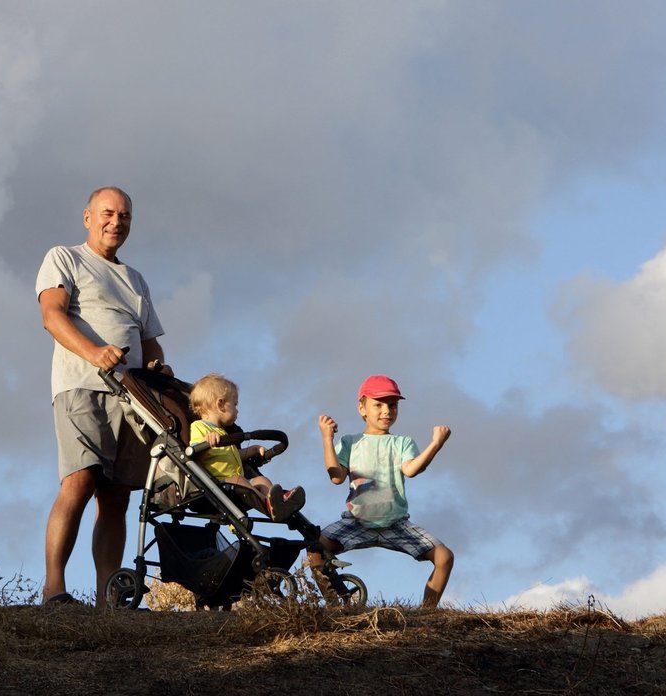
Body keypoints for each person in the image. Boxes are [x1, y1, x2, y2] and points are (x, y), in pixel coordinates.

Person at [36, 185, 169, 606]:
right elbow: (51, 315)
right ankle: (54, 589)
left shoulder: (135, 278)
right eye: (108, 213)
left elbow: (151, 343)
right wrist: (95, 353)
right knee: (80, 481)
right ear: (88, 217)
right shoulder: (65, 257)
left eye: (125, 215)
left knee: (118, 495)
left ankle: (107, 598)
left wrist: (157, 368)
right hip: (81, 386)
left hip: (132, 397)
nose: (117, 222)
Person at [308, 374, 455, 607]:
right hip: (357, 521)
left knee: (444, 556)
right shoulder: (350, 442)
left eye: (392, 405)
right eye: (378, 404)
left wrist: (435, 444)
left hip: (395, 523)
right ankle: (335, 607)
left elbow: (411, 470)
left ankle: (427, 613)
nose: (386, 410)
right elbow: (336, 477)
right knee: (315, 550)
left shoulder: (402, 443)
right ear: (362, 407)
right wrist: (327, 439)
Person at [186, 373, 305, 521]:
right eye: (234, 404)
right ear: (220, 404)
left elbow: (234, 454)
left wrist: (253, 449)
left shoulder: (223, 432)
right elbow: (193, 452)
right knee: (239, 480)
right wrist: (206, 442)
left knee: (260, 480)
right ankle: (269, 505)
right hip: (217, 483)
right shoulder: (199, 426)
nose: (237, 410)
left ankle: (277, 501)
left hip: (236, 483)